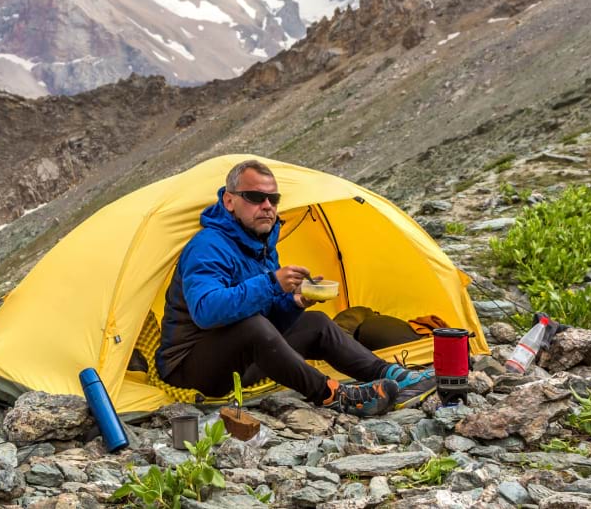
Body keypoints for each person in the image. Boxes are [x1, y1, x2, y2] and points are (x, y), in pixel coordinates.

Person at [154, 159, 435, 416]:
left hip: (240, 361)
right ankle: (335, 397)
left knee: (314, 322)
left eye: (273, 199)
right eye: (254, 197)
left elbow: (269, 321)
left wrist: (293, 303)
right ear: (229, 200)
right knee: (253, 326)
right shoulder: (208, 246)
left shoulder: (260, 245)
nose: (267, 205)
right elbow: (206, 311)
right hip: (191, 368)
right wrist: (271, 283)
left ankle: (392, 374)